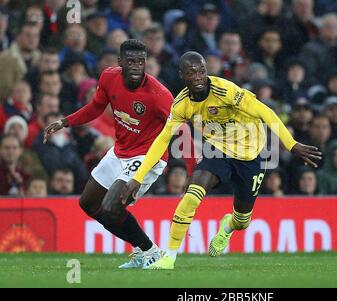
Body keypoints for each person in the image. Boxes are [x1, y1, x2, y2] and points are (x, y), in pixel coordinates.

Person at [120, 51, 322, 270]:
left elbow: (267, 112)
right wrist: (138, 178)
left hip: (251, 154)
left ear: (207, 71)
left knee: (242, 221)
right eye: (191, 73)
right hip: (218, 150)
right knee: (192, 195)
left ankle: (227, 226)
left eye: (201, 71)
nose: (197, 76)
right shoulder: (181, 105)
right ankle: (169, 258)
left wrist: (292, 144)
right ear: (182, 75)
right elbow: (162, 140)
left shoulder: (226, 91)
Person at [43, 39, 175, 269]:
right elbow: (95, 106)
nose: (136, 66)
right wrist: (65, 121)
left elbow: (179, 126)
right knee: (88, 203)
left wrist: (192, 159)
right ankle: (142, 251)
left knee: (113, 205)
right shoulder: (108, 77)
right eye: (131, 61)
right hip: (120, 151)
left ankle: (150, 251)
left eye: (141, 62)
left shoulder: (159, 94)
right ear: (120, 62)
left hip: (146, 157)